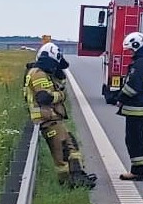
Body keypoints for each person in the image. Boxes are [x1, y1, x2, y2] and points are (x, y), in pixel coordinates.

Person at [26, 42, 96, 188]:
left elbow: (57, 83)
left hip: (54, 120)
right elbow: (44, 98)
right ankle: (67, 184)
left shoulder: (44, 73)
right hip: (48, 121)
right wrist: (61, 95)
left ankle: (77, 177)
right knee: (63, 155)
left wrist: (59, 79)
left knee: (72, 148)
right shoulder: (38, 74)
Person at [118, 32, 143, 181]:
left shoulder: (140, 64)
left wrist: (119, 97)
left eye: (131, 50)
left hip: (137, 109)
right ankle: (139, 169)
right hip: (141, 108)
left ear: (137, 46)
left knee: (134, 141)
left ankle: (138, 171)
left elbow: (133, 86)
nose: (130, 53)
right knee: (137, 140)